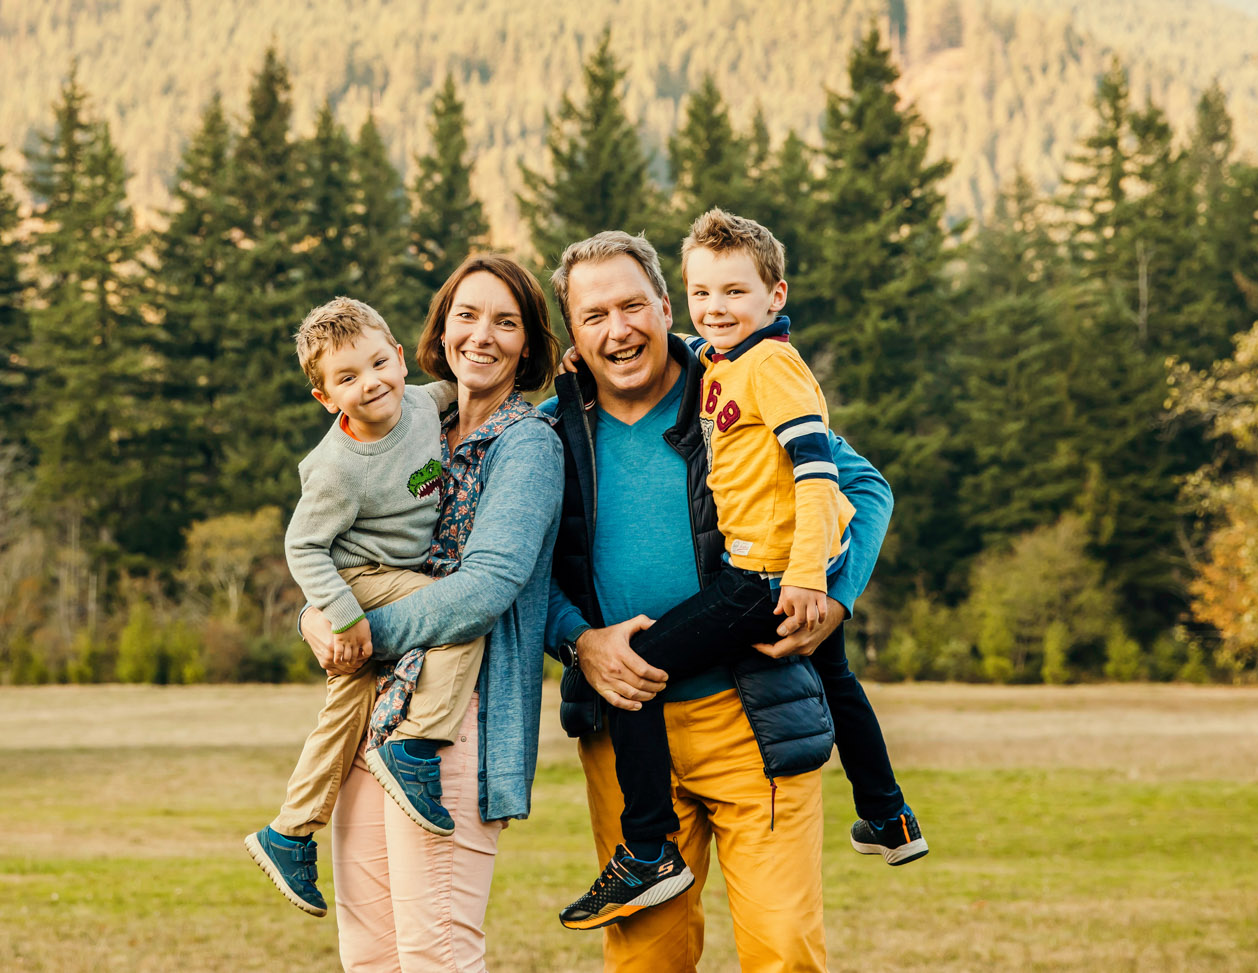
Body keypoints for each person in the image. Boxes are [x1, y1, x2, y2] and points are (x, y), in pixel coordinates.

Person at [558, 212, 924, 933]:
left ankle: (655, 850)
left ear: (664, 310)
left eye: (633, 305)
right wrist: (579, 639)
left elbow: (862, 485)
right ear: (572, 333)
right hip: (628, 733)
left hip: (751, 713)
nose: (617, 328)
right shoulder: (552, 430)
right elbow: (516, 569)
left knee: (783, 947)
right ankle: (884, 813)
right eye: (592, 314)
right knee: (645, 958)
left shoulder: (738, 376)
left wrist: (829, 593)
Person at [295, 255, 565, 973]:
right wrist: (318, 615)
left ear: (529, 345)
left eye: (505, 321)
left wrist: (360, 634)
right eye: (467, 315)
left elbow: (484, 588)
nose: (482, 335)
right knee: (372, 952)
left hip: (454, 724)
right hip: (372, 712)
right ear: (441, 328)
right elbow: (349, 548)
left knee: (434, 952)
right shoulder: (410, 420)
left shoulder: (529, 442)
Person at [244, 297, 482, 918]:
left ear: (400, 358)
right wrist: (341, 615)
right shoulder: (336, 469)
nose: (370, 382)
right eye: (347, 378)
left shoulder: (429, 404)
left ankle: (290, 832)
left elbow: (487, 388)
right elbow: (302, 545)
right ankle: (416, 748)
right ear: (327, 398)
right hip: (360, 577)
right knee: (462, 608)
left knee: (346, 704)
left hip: (394, 575)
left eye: (379, 363)